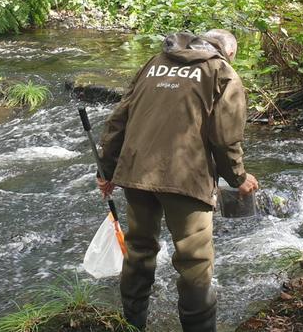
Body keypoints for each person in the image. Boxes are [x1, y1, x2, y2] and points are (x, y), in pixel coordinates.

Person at [96, 29, 259, 332]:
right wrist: (238, 178)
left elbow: (119, 118)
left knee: (139, 251)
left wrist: (106, 171)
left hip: (136, 173)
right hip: (186, 177)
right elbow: (225, 140)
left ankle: (132, 325)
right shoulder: (222, 72)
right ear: (229, 52)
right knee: (194, 263)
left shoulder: (155, 61)